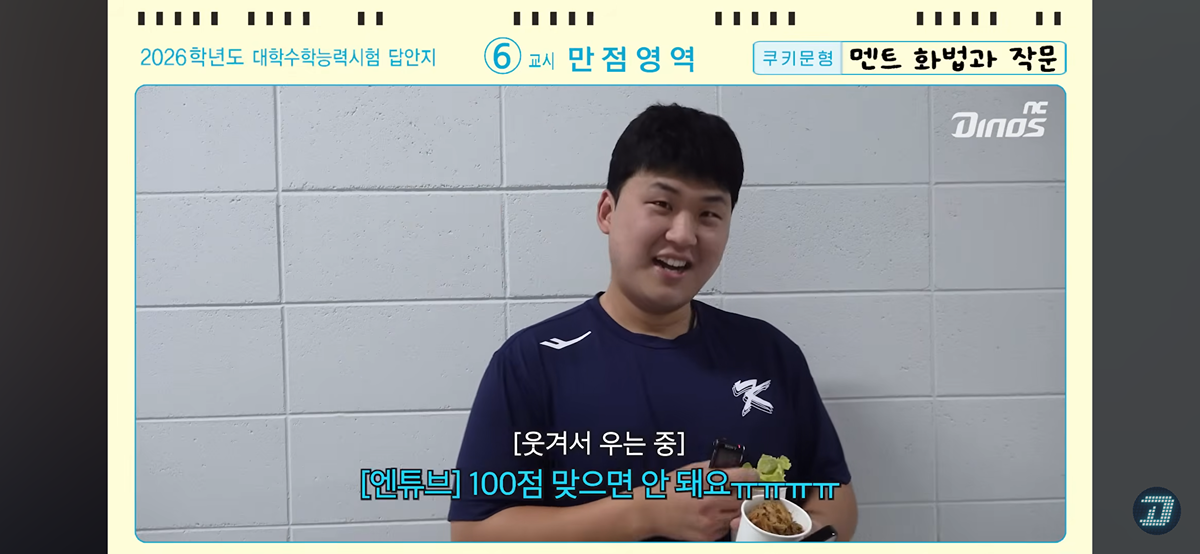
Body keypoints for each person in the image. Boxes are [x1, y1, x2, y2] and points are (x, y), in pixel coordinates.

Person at [447, 103, 857, 541]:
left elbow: (836, 500)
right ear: (607, 212)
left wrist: (787, 535)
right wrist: (648, 512)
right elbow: (474, 532)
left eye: (709, 214)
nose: (683, 234)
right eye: (662, 204)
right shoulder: (533, 362)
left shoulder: (770, 353)